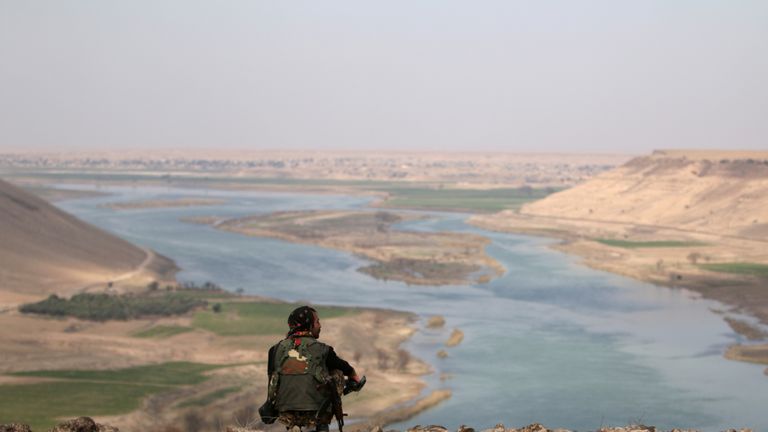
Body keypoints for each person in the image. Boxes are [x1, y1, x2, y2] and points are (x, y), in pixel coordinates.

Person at [266, 306, 361, 432]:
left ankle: (294, 425)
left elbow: (272, 381)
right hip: (315, 412)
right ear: (309, 325)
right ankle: (322, 425)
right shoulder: (323, 350)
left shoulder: (274, 350)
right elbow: (346, 368)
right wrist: (353, 377)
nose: (320, 325)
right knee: (336, 372)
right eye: (317, 322)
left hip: (284, 411)